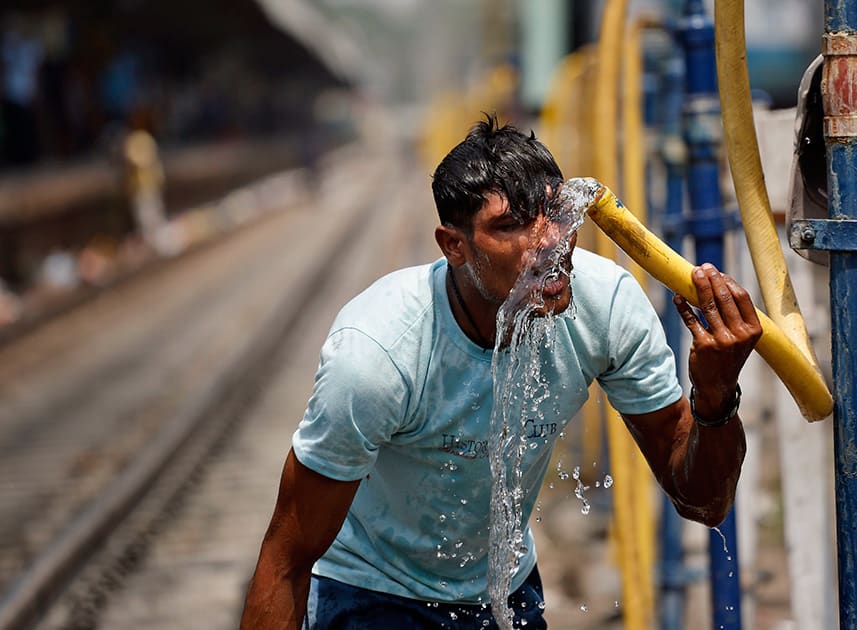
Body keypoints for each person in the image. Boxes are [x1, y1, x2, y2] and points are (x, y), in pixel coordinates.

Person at [240, 116, 761, 629]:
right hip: (371, 590)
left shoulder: (606, 307)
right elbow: (286, 561)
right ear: (454, 246)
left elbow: (703, 502)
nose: (547, 243)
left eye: (555, 215)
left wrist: (715, 396)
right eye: (509, 226)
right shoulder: (378, 356)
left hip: (503, 592)